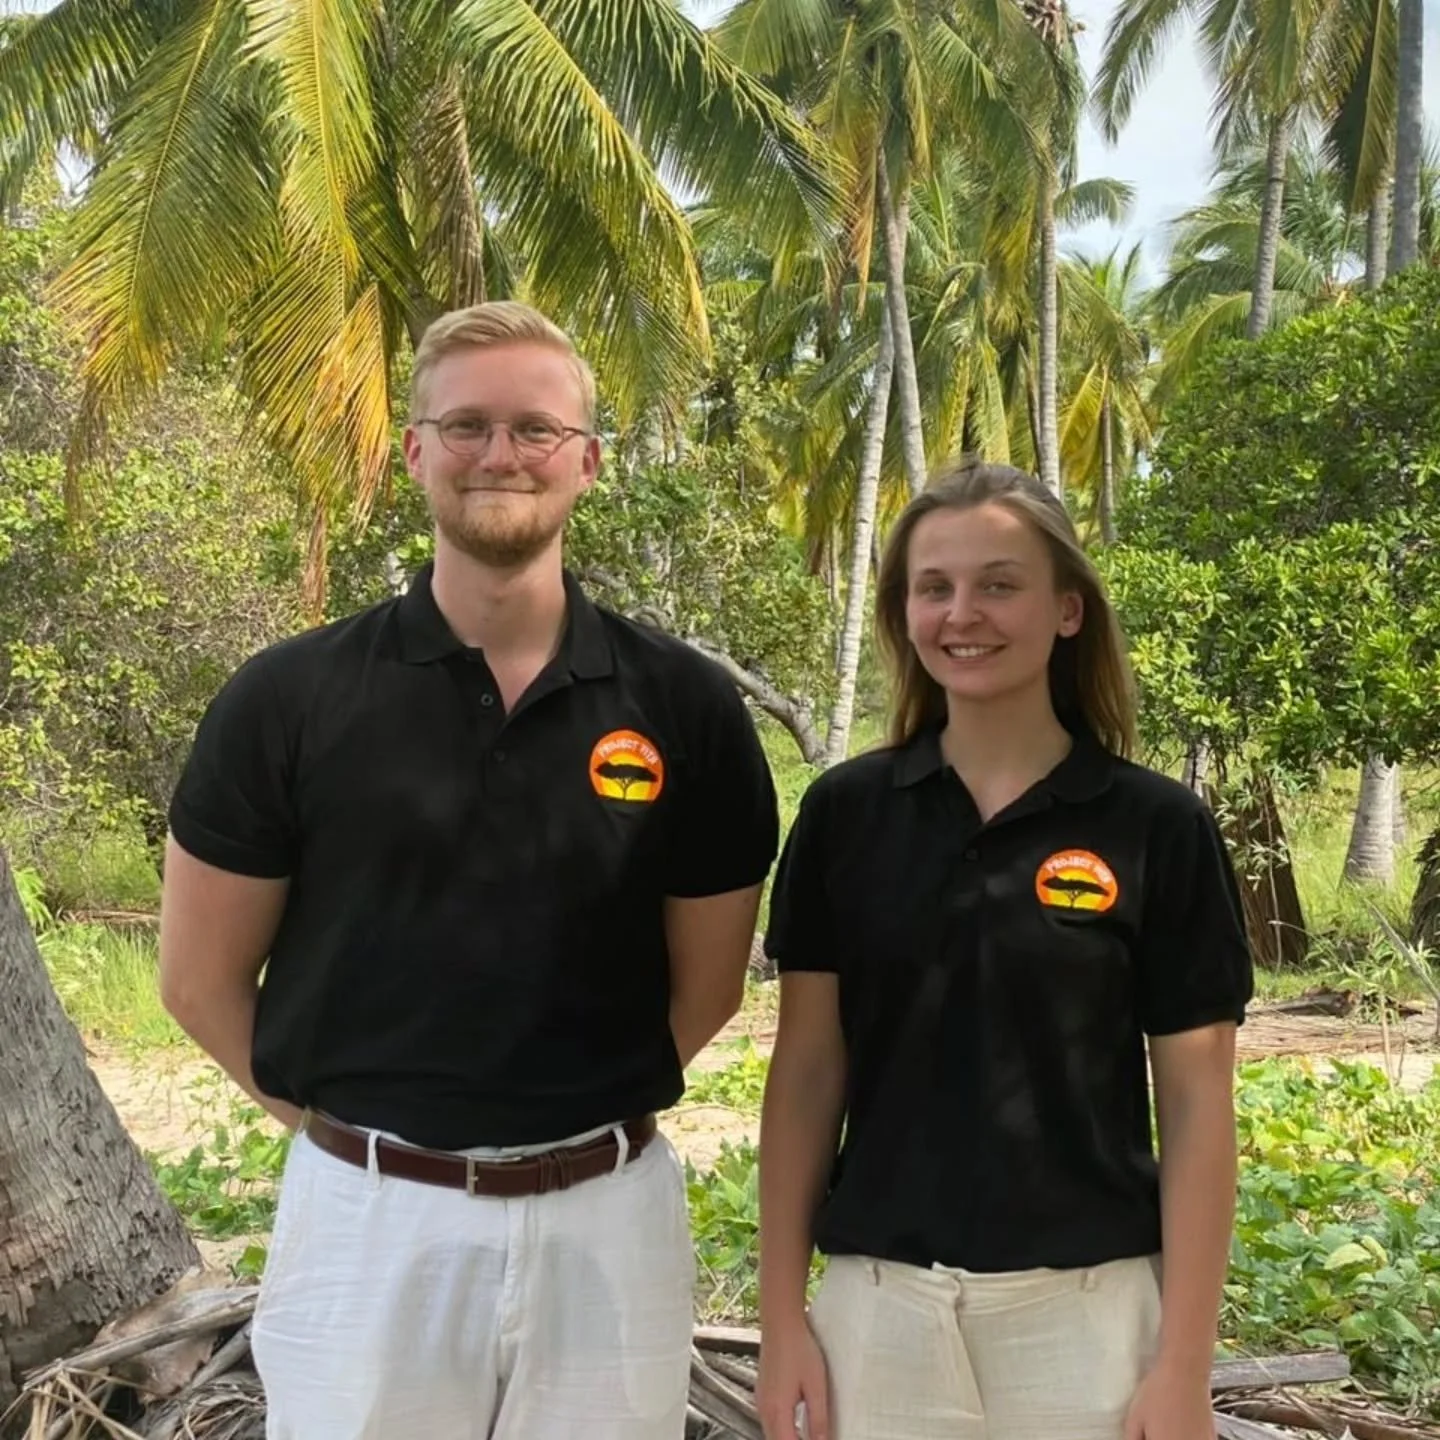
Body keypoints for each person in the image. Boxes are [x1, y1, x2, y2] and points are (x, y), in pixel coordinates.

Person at [158, 300, 780, 1440]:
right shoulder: (287, 700)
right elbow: (198, 981)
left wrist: (561, 1122)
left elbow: (709, 989)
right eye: (467, 426)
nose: (502, 453)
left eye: (537, 429)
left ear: (587, 460)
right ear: (415, 451)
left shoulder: (685, 706)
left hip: (608, 1221)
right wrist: (364, 1139)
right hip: (364, 1226)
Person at [755, 459, 1253, 1440]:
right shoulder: (846, 815)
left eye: (998, 584)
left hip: (1089, 1322)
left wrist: (1184, 1365)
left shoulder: (1156, 828)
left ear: (1067, 610)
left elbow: (1198, 1105)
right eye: (933, 587)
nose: (962, 614)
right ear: (903, 612)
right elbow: (807, 1071)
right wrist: (781, 1321)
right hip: (878, 1316)